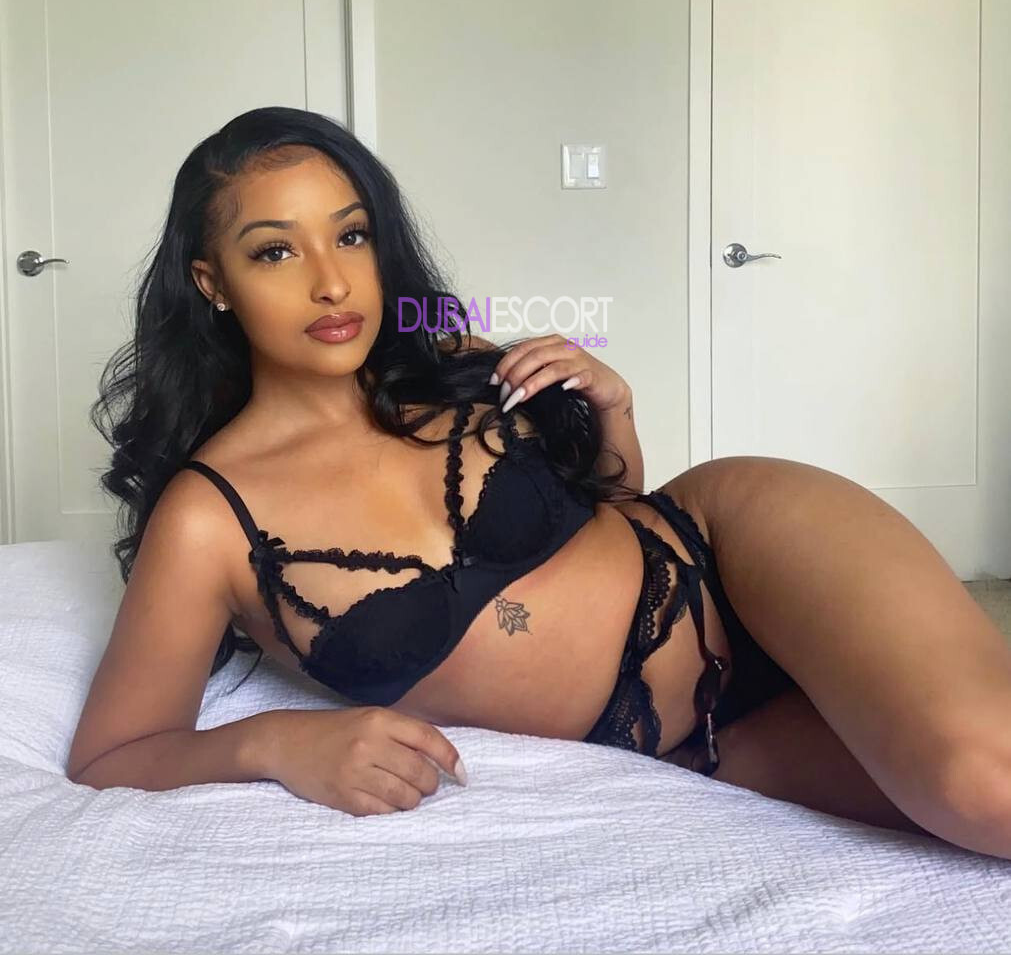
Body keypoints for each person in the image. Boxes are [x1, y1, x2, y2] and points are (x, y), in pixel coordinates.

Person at [66, 107, 1011, 857]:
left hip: (739, 547)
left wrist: (613, 407)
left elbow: (615, 504)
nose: (331, 283)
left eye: (350, 237)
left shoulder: (449, 359)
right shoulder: (208, 518)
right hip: (693, 741)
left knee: (982, 782)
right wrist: (275, 742)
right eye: (275, 250)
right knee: (973, 816)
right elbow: (113, 751)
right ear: (212, 282)